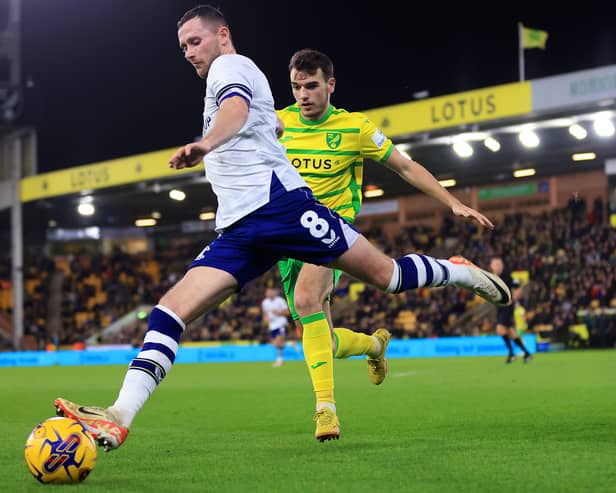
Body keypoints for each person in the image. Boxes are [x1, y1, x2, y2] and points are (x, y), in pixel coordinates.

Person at [53, 4, 511, 450]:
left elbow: (234, 110)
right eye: (183, 46)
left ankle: (461, 272)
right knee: (169, 312)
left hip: (281, 210)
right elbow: (257, 121)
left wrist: (204, 144)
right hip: (239, 228)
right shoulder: (247, 89)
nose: (189, 51)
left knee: (386, 276)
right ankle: (118, 417)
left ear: (222, 36)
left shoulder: (230, 67)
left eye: (196, 41)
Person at [276, 48, 507, 388]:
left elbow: (405, 166)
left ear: (331, 84)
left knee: (307, 298)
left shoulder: (355, 127)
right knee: (322, 341)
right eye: (296, 87)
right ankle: (374, 345)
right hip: (287, 239)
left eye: (311, 86)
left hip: (331, 230)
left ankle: (326, 410)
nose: (302, 95)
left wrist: (452, 202)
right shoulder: (278, 123)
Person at [489, 257, 532, 364]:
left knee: (500, 329)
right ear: (491, 266)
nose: (498, 266)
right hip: (499, 307)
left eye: (499, 264)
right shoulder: (492, 277)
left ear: (502, 266)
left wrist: (513, 299)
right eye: (496, 264)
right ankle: (526, 353)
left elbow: (518, 288)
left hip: (507, 307)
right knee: (510, 332)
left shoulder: (507, 276)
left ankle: (512, 353)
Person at [261, 286, 291, 367]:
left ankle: (279, 360)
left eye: (270, 292)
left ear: (274, 292)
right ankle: (290, 344)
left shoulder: (280, 300)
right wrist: (265, 319)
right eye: (267, 292)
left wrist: (278, 313)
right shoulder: (265, 302)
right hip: (272, 326)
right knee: (275, 344)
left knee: (278, 342)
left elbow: (287, 312)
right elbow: (265, 314)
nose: (268, 293)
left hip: (281, 324)